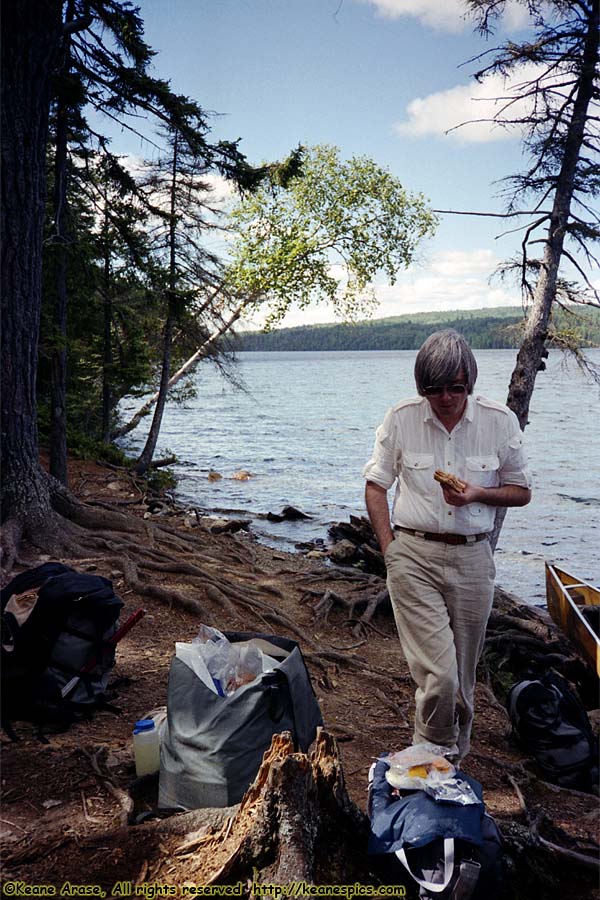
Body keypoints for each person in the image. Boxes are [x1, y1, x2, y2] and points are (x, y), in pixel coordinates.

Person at [363, 329, 531, 761]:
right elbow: (376, 486)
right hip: (414, 556)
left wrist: (476, 493)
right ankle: (431, 758)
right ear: (422, 388)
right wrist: (390, 551)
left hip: (474, 558)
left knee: (463, 677)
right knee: (439, 676)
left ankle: (454, 762)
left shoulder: (498, 421)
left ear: (469, 383)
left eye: (455, 387)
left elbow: (520, 490)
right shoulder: (401, 418)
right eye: (433, 389)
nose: (445, 398)